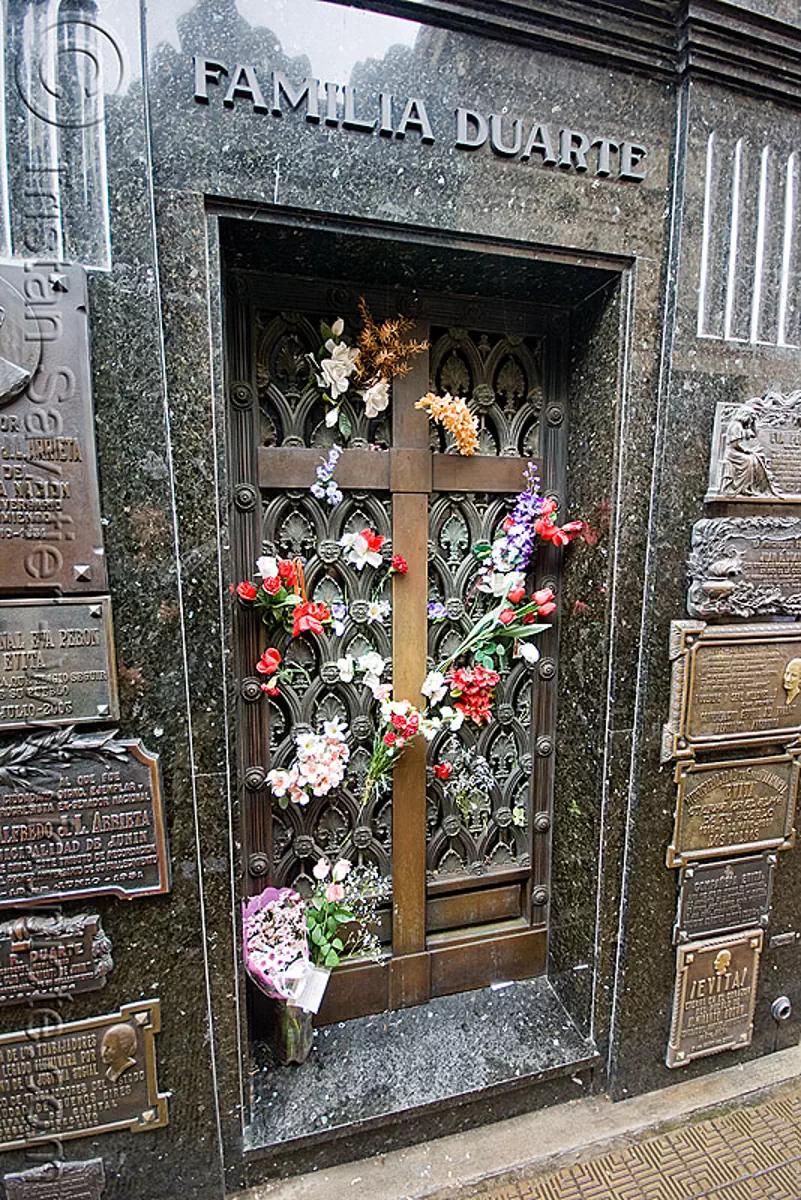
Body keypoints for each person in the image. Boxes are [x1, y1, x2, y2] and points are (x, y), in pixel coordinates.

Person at [720, 404, 779, 497]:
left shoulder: (742, 426)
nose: (751, 420)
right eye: (750, 418)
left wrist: (753, 423)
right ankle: (740, 487)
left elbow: (755, 433)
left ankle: (747, 487)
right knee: (749, 461)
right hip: (733, 453)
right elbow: (735, 444)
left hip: (736, 451)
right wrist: (745, 450)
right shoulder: (736, 426)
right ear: (745, 416)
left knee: (755, 459)